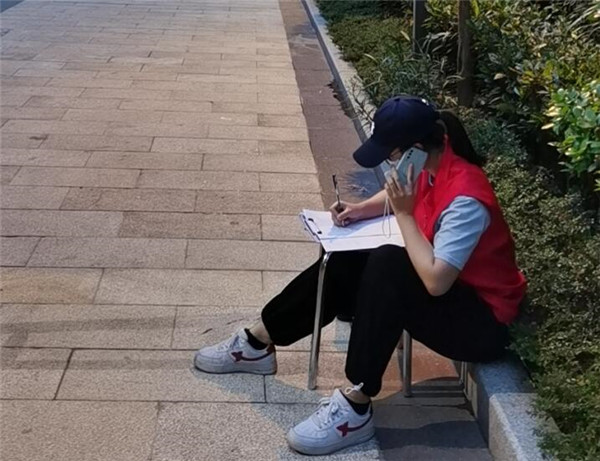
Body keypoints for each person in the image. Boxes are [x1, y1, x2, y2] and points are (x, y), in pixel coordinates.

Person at [193, 95, 527, 456]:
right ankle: (258, 342)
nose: (390, 164)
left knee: (388, 264)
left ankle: (356, 405)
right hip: (452, 297)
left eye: (391, 156)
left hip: (481, 326)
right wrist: (361, 210)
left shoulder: (466, 200)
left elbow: (435, 281)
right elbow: (402, 190)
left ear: (414, 149)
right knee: (349, 258)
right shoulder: (433, 156)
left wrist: (404, 215)